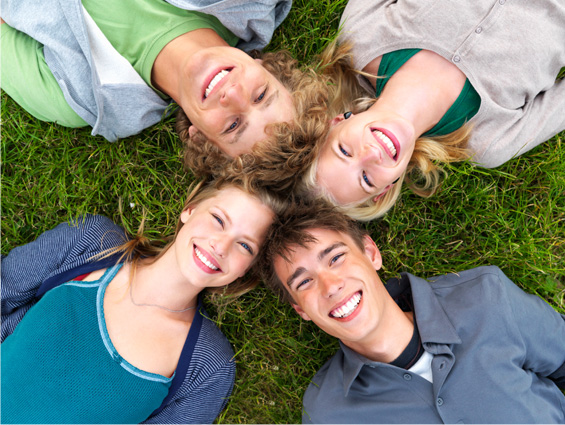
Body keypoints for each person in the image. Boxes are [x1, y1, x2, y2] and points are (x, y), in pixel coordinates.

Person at [1, 177, 284, 424]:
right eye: (219, 220)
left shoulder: (210, 367)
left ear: (248, 268)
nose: (221, 246)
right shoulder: (92, 242)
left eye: (245, 245)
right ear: (190, 209)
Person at [260, 201, 565, 423]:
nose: (330, 286)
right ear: (301, 310)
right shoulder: (328, 412)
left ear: (370, 252)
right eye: (305, 282)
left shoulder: (486, 299)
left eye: (336, 257)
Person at [299, 0, 565, 220]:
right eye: (367, 179)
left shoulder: (360, 37)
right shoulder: (489, 139)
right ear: (386, 188)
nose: (370, 154)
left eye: (344, 151)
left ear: (337, 122)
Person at [0, 0, 296, 156]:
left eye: (233, 125)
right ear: (267, 68)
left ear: (200, 137)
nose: (232, 95)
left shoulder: (78, 97)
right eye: (260, 95)